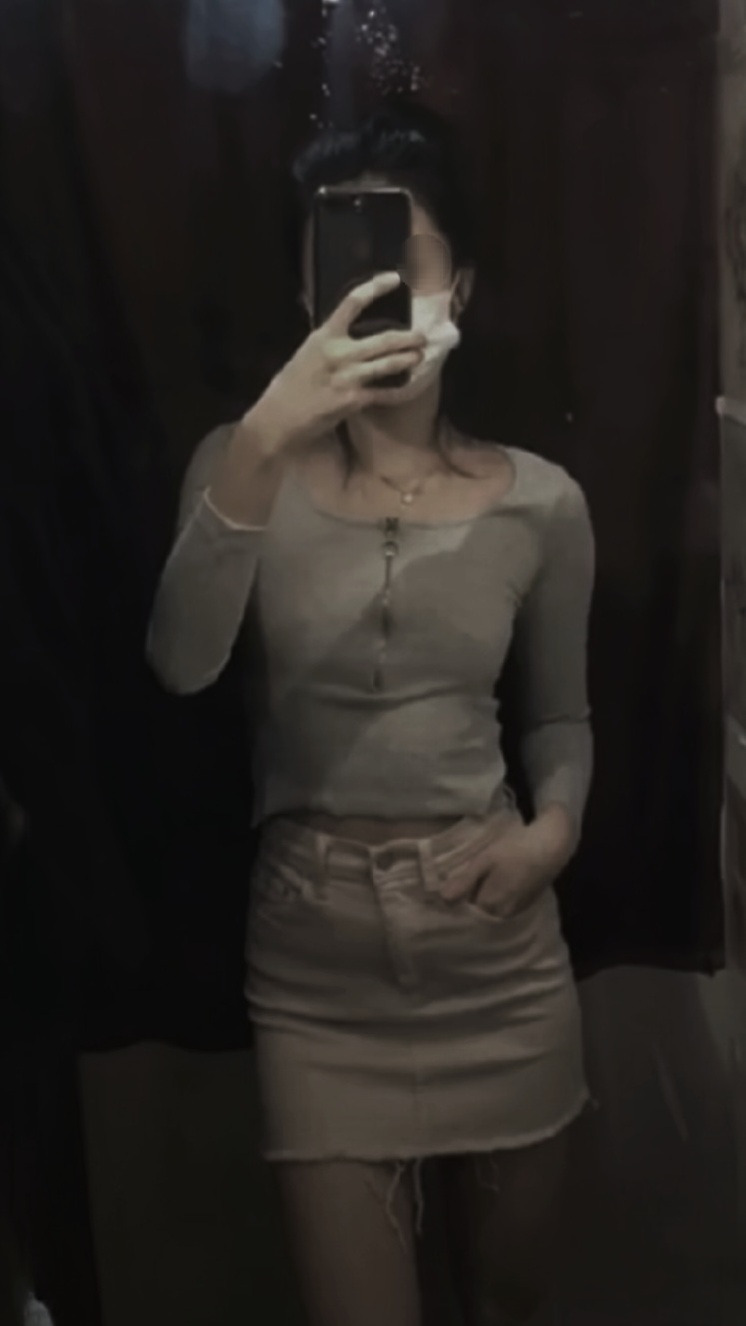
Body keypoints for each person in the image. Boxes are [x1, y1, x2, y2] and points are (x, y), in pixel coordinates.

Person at [146, 104, 595, 1326]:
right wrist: (263, 442)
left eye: (413, 261)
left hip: (498, 953)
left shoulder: (542, 503)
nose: (383, 292)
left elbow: (557, 720)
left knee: (515, 1300)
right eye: (348, 266)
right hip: (314, 975)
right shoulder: (237, 463)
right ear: (308, 295)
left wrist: (551, 835)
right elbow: (180, 666)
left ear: (464, 288)